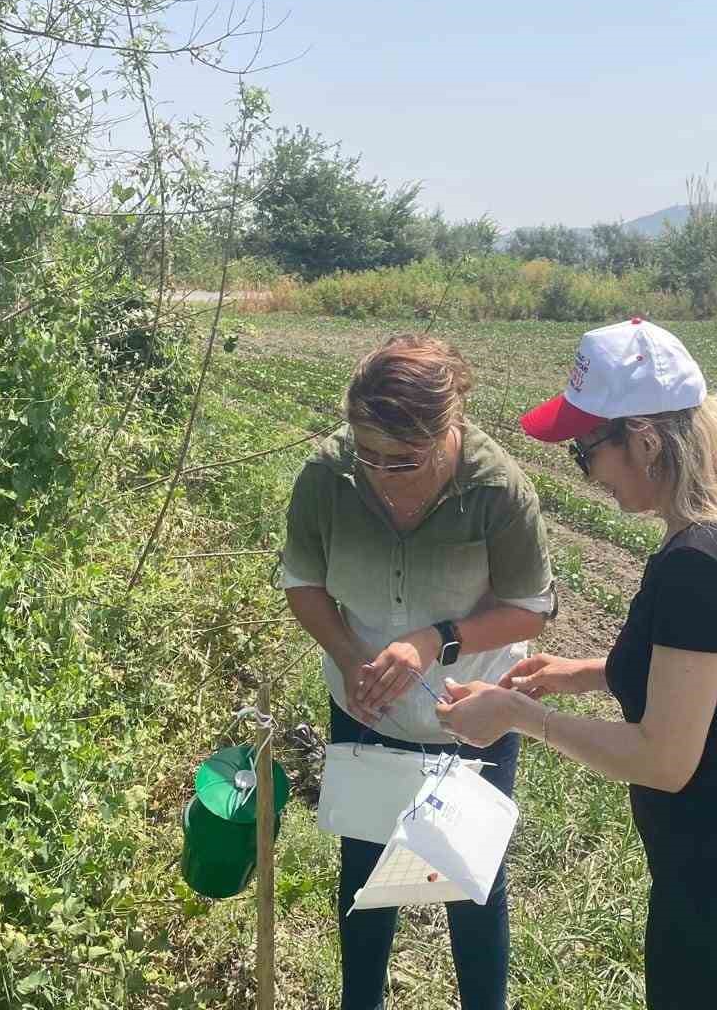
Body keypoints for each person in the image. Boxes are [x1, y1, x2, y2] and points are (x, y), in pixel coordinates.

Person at [435, 317, 717, 1010]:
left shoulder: (697, 567)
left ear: (643, 440)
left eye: (585, 452)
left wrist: (521, 714)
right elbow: (709, 679)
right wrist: (582, 673)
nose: (587, 475)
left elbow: (664, 757)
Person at [280, 333, 555, 1010]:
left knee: (470, 880)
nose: (376, 471)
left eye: (401, 461)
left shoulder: (497, 491)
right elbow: (302, 584)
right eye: (364, 449)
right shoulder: (328, 477)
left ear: (447, 431)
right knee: (365, 874)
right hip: (366, 704)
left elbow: (530, 611)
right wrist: (351, 661)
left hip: (472, 713)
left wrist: (437, 640)